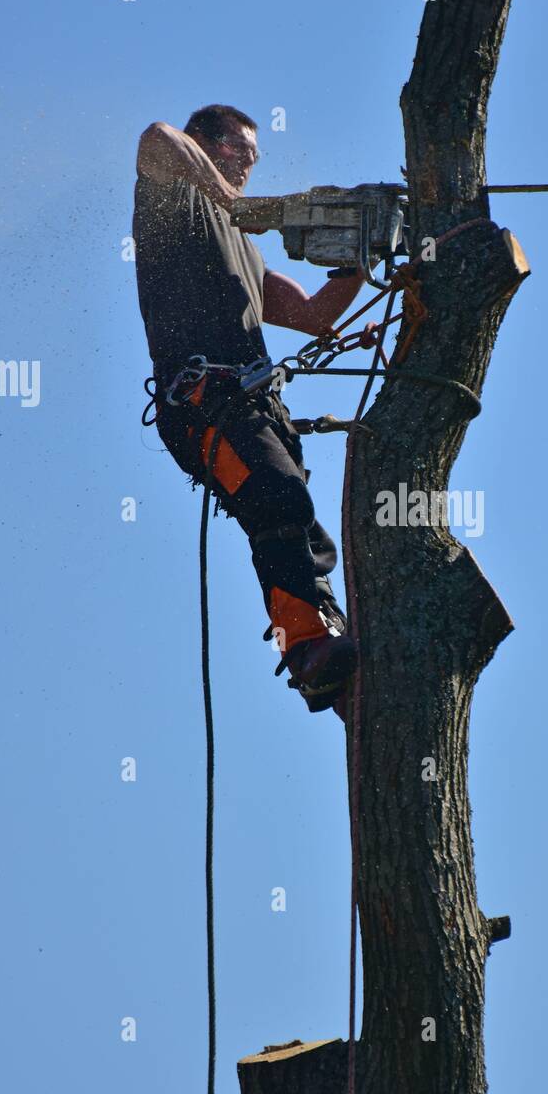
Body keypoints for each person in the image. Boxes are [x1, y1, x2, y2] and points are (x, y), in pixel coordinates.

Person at [133, 103, 362, 718]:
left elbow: (313, 315)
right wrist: (226, 197)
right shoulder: (172, 200)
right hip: (205, 405)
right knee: (278, 501)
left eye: (253, 158)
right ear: (205, 143)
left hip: (253, 408)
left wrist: (365, 257)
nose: (245, 167)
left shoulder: (242, 242)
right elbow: (156, 138)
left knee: (301, 524)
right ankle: (309, 649)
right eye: (236, 151)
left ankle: (329, 656)